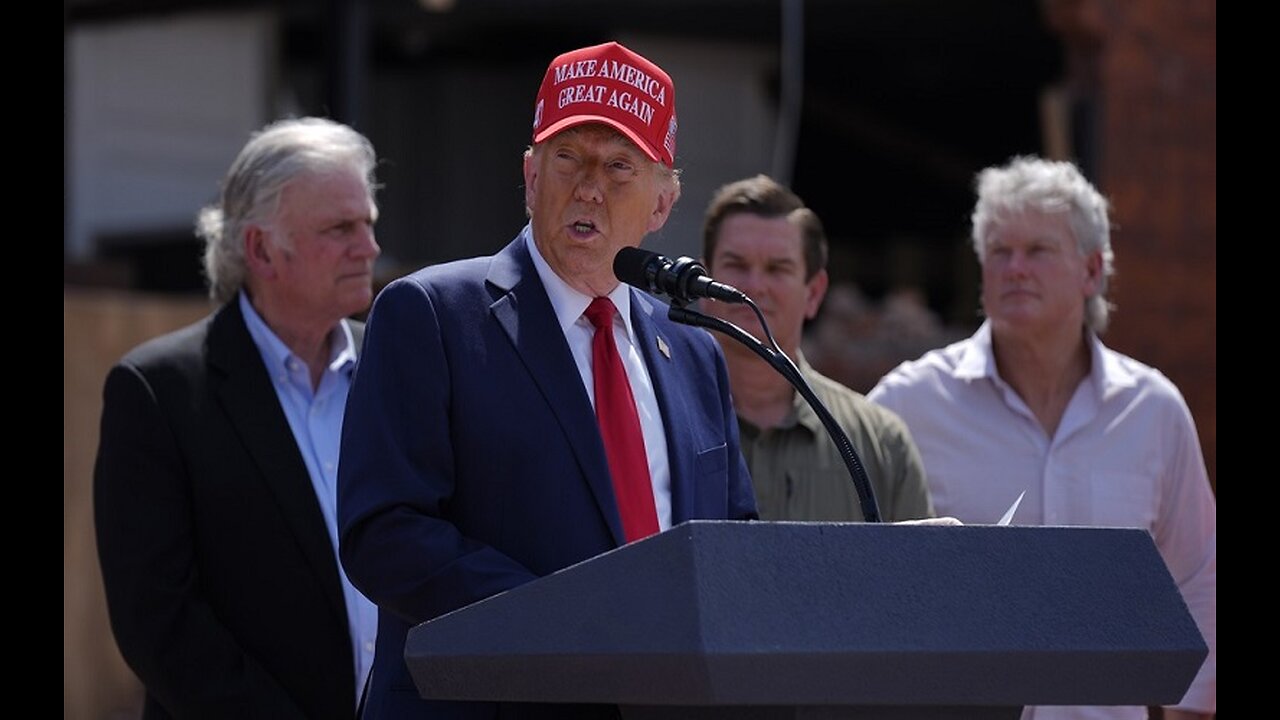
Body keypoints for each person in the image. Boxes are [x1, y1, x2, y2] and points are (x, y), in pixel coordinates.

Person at [337, 41, 757, 720]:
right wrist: (565, 621)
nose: (590, 186)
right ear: (531, 178)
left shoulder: (694, 350)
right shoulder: (432, 316)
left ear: (662, 203)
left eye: (620, 166)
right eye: (569, 159)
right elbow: (384, 533)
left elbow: (731, 541)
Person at [868, 156, 1215, 720]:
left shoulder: (1153, 411)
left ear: (1092, 270)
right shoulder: (909, 403)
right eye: (999, 252)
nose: (1015, 268)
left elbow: (1200, 578)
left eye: (1038, 251)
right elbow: (853, 569)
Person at [93, 116, 382, 720]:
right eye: (340, 228)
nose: (370, 248)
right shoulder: (159, 392)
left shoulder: (400, 366)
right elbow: (160, 626)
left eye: (368, 224)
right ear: (260, 249)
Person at [699, 174, 933, 522]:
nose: (754, 285)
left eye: (777, 268)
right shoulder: (655, 420)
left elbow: (916, 574)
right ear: (703, 283)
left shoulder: (880, 444)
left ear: (814, 293)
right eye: (736, 265)